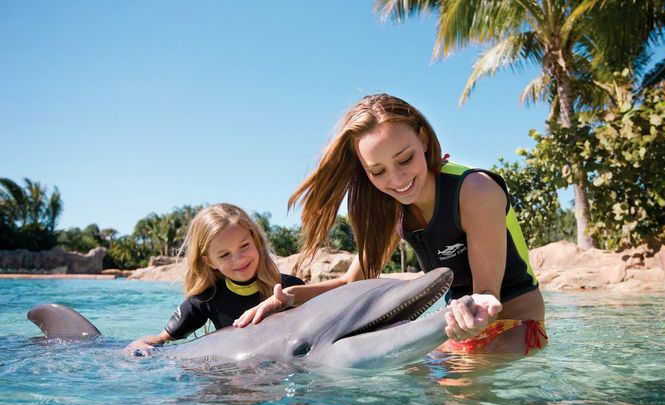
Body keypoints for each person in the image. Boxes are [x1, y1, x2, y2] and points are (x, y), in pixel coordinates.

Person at [237, 93, 546, 355]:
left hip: (514, 324)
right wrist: (286, 300)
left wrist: (470, 325)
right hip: (459, 322)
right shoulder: (392, 209)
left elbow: (485, 296)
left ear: (423, 140)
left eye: (405, 159)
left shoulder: (475, 190)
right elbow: (351, 283)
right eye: (378, 171)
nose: (397, 180)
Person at [125, 203, 309, 356]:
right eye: (224, 255)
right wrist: (138, 343)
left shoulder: (290, 289)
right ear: (209, 261)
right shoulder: (206, 299)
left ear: (256, 241)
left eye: (244, 245)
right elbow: (161, 339)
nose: (239, 259)